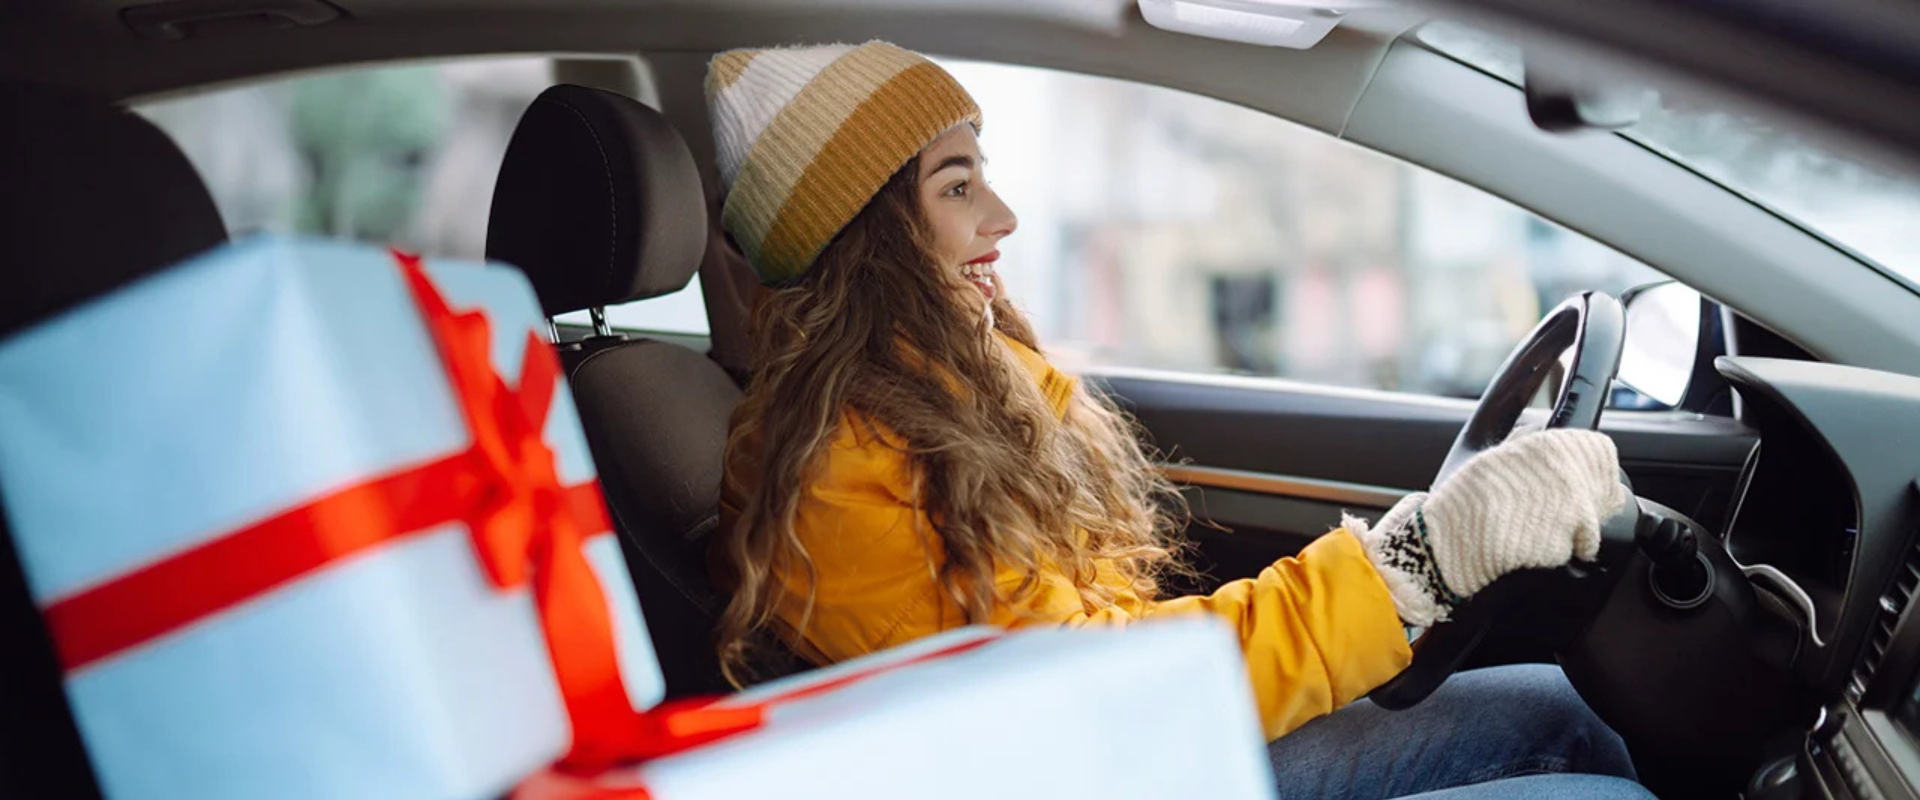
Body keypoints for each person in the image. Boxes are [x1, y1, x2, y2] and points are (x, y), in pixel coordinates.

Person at [706, 41, 1651, 800]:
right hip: (1100, 760)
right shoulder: (842, 465)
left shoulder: (961, 385)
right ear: (862, 240)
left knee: (1563, 708)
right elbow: (1090, 698)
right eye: (956, 187)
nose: (1003, 216)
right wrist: (1418, 562)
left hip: (1119, 751)